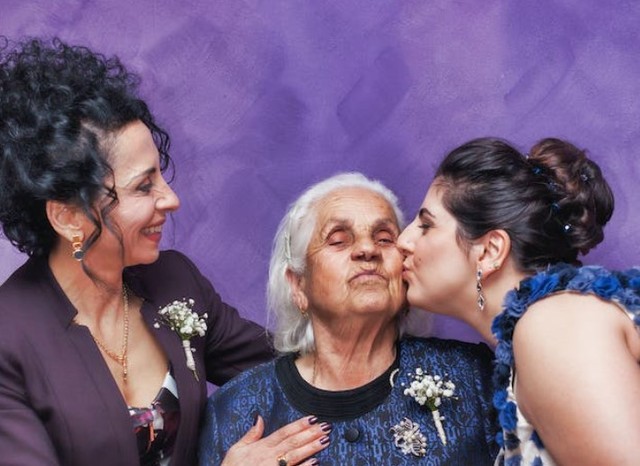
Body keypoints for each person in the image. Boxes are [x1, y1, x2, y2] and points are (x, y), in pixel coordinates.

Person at [0, 37, 330, 466]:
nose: (171, 199)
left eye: (161, 176)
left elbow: (296, 374)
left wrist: (356, 295)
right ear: (67, 217)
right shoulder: (9, 339)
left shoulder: (175, 281)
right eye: (144, 186)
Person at [198, 172, 498, 465]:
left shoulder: (472, 375)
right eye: (339, 240)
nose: (367, 250)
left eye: (385, 239)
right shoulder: (234, 410)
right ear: (298, 285)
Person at [397, 137, 640, 465]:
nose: (403, 241)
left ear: (490, 251)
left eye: (426, 225)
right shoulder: (546, 327)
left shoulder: (552, 328)